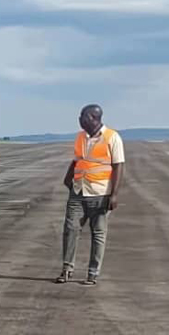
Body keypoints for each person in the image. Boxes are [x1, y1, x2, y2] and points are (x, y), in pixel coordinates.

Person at [56, 104, 125, 286]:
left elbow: (118, 166)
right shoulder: (80, 137)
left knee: (98, 234)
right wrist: (68, 177)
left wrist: (114, 194)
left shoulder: (112, 137)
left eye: (83, 116)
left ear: (94, 118)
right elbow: (77, 160)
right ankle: (67, 269)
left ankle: (93, 273)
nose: (79, 119)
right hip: (78, 190)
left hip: (100, 193)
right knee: (70, 230)